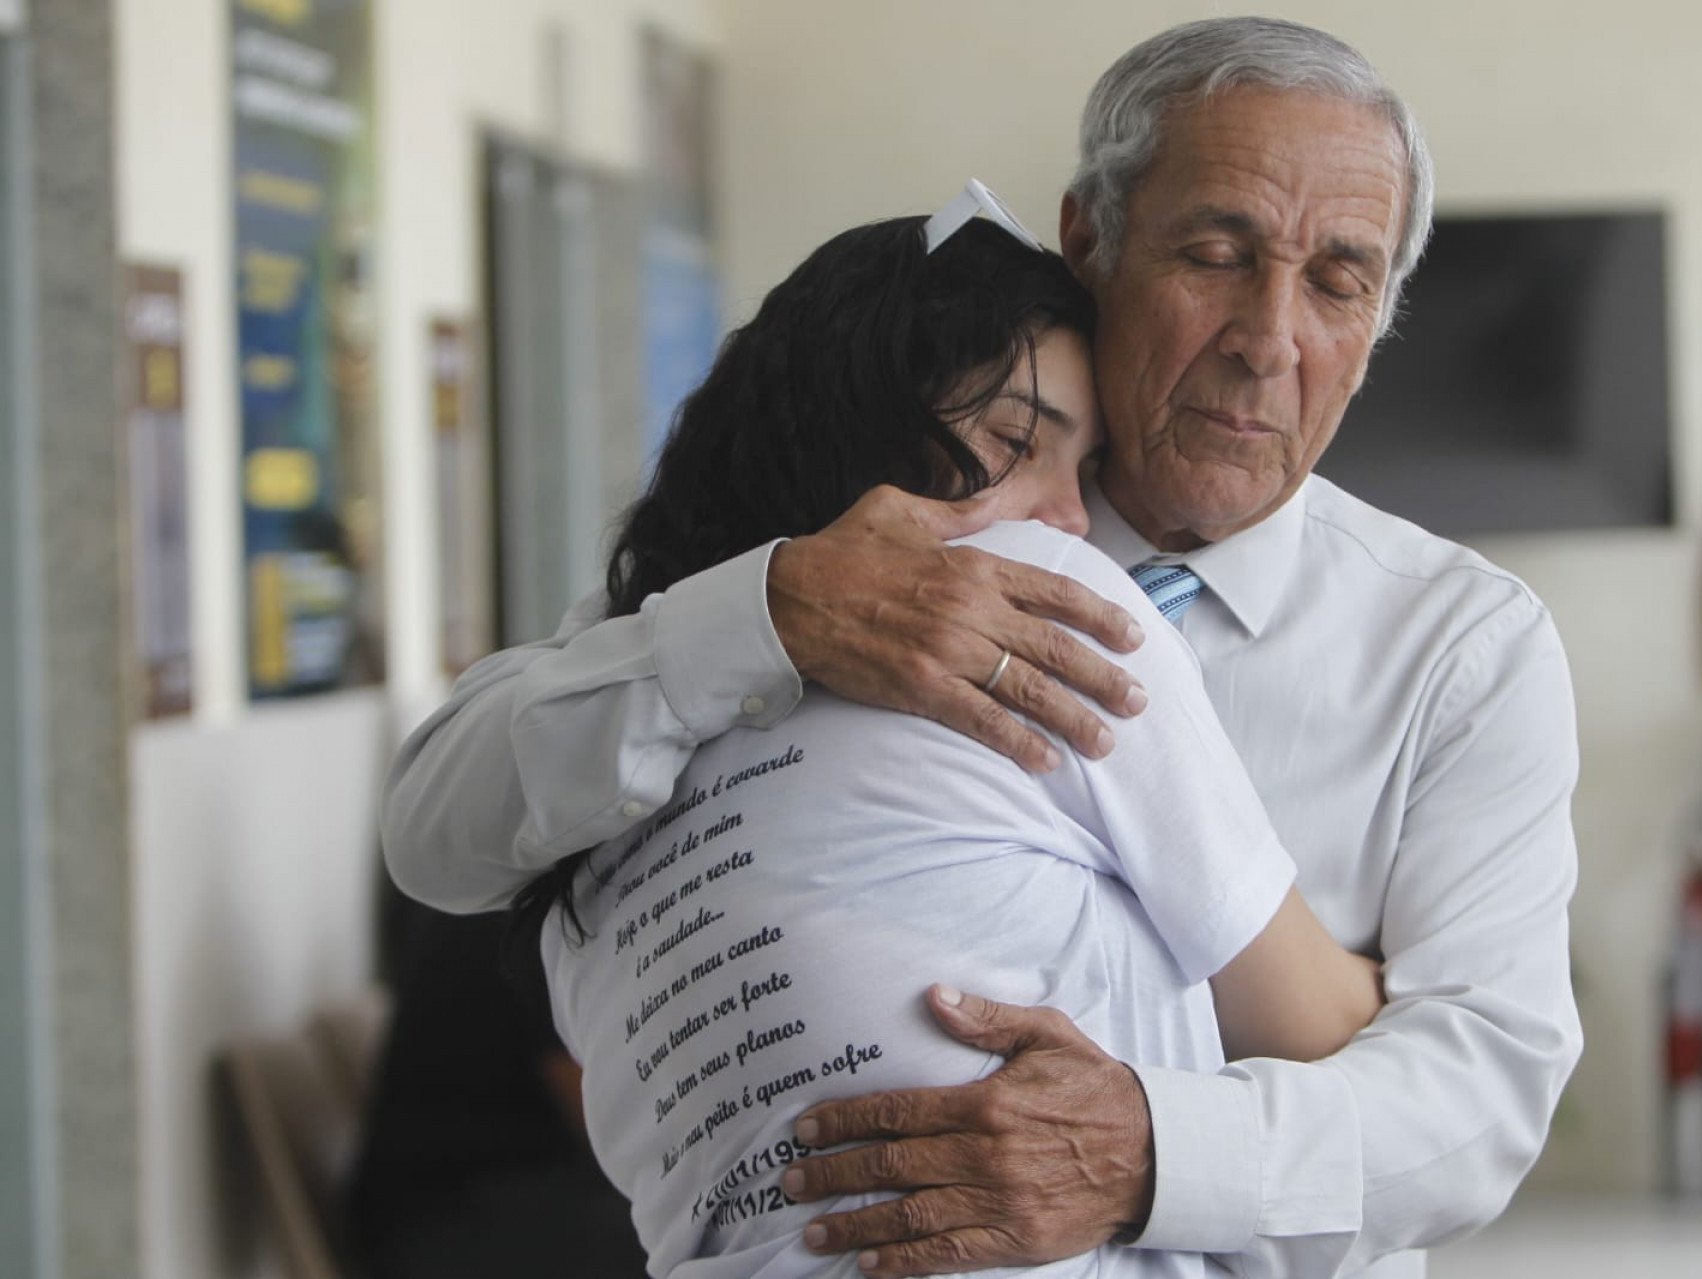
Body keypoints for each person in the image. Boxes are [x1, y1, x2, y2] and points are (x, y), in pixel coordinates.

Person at [382, 18, 1582, 1278]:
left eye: (1338, 281)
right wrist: (773, 612)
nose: (1268, 336)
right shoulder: (854, 529)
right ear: (1089, 244)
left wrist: (1147, 1152)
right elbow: (437, 835)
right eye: (1217, 254)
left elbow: (1480, 1098)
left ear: (1383, 317)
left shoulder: (1462, 647)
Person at [518, 212, 1384, 1279]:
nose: (1069, 519)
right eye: (1018, 442)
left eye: (1088, 464)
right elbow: (1317, 1022)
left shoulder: (592, 813)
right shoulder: (1039, 599)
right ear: (864, 421)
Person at [349, 887, 647, 1279]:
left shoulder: (501, 890)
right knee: (674, 1244)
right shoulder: (539, 927)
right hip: (435, 1221)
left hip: (457, 1201)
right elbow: (610, 1133)